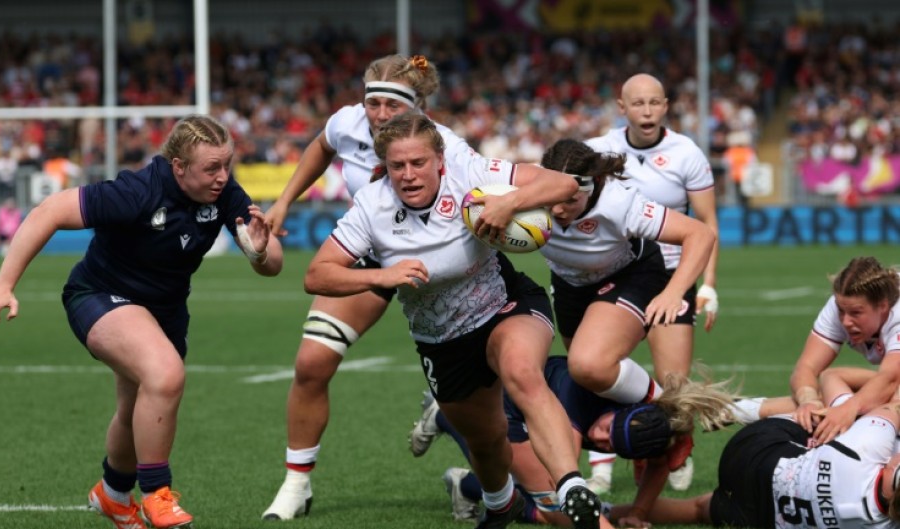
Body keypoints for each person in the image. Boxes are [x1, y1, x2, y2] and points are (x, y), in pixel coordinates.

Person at [0, 114, 283, 529]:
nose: (223, 176)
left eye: (227, 164)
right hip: (97, 296)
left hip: (165, 312)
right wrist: (3, 283)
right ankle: (157, 494)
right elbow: (49, 211)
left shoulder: (223, 192)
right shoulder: (137, 191)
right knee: (165, 373)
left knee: (135, 407)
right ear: (179, 167)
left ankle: (113, 495)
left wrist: (260, 252)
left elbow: (272, 263)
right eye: (212, 167)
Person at [304, 111, 600, 529]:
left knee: (522, 372)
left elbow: (564, 184)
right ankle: (501, 504)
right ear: (385, 167)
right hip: (442, 340)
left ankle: (570, 486)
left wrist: (508, 203)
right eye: (397, 165)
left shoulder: (469, 173)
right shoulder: (372, 206)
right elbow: (317, 275)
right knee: (485, 438)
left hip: (503, 305)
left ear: (440, 160)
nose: (407, 174)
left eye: (418, 163)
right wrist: (382, 275)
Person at [260, 54, 477, 521]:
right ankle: (296, 484)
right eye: (372, 103)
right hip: (375, 253)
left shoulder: (447, 147)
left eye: (391, 106)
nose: (378, 115)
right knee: (312, 363)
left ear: (417, 106)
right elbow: (322, 145)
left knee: (480, 395)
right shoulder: (348, 123)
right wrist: (283, 202)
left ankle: (463, 456)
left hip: (441, 262)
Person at [584, 72, 720, 492]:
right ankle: (601, 463)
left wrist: (708, 285)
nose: (647, 111)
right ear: (621, 108)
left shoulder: (687, 153)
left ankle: (675, 447)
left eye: (655, 103)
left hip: (670, 275)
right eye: (638, 103)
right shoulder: (598, 151)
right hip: (613, 274)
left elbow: (707, 223)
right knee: (596, 370)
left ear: (666, 106)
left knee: (673, 386)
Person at [409, 356, 737, 527]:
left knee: (556, 507)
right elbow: (561, 494)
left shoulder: (655, 421)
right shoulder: (593, 397)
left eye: (609, 446)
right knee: (555, 510)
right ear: (620, 408)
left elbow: (660, 461)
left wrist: (638, 511)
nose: (600, 438)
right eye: (607, 429)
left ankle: (465, 486)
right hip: (512, 407)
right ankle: (446, 417)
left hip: (544, 415)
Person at [607, 404, 900, 529]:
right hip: (759, 514)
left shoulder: (866, 450)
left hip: (754, 451)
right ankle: (562, 507)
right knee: (697, 510)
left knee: (834, 409)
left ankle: (738, 408)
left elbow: (838, 378)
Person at [716, 256, 900, 443]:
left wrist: (846, 410)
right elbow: (807, 367)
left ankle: (747, 409)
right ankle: (740, 409)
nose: (845, 321)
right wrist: (809, 401)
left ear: (883, 306)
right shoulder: (843, 306)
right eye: (841, 311)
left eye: (856, 313)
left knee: (887, 403)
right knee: (845, 397)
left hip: (893, 381)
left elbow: (889, 380)